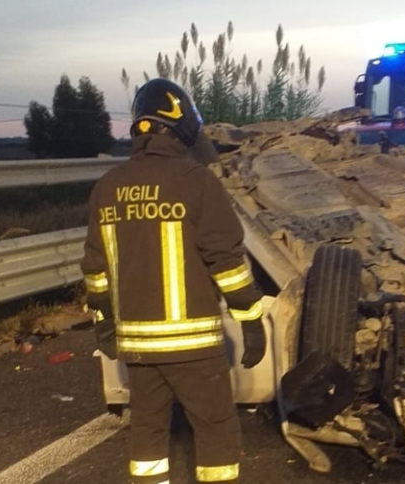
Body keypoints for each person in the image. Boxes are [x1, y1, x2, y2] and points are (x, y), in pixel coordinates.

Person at [80, 77, 266, 484]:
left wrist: (104, 323)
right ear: (180, 128)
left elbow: (95, 269)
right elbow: (226, 262)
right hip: (192, 345)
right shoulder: (196, 181)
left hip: (137, 347)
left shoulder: (107, 187)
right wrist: (251, 320)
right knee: (215, 430)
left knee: (148, 431)